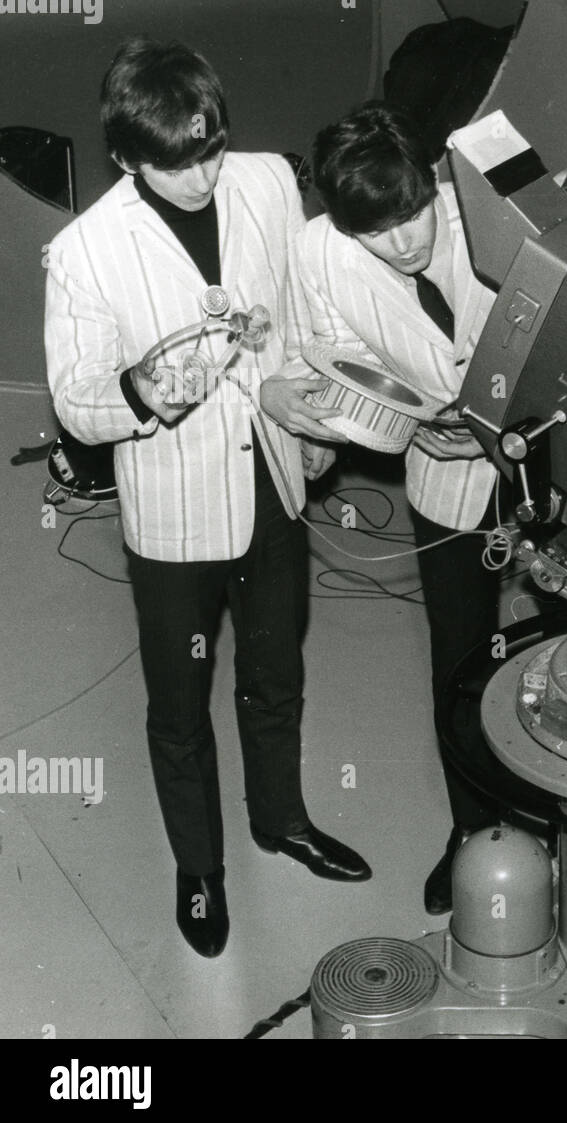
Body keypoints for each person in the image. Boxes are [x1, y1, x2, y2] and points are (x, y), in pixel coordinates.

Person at [45, 40, 370, 959]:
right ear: (125, 158)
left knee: (276, 674)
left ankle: (281, 821)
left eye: (211, 150)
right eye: (177, 163)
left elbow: (292, 306)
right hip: (176, 514)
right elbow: (74, 397)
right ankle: (200, 869)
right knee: (179, 706)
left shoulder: (264, 179)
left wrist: (300, 409)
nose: (203, 176)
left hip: (270, 478)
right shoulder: (84, 252)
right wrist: (143, 392)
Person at [259, 104, 501, 916]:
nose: (406, 241)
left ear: (431, 177)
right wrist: (356, 417)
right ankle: (474, 832)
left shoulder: (485, 199)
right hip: (442, 465)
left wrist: (506, 431)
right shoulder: (318, 251)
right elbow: (336, 351)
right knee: (460, 658)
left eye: (413, 213)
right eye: (379, 232)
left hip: (556, 458)